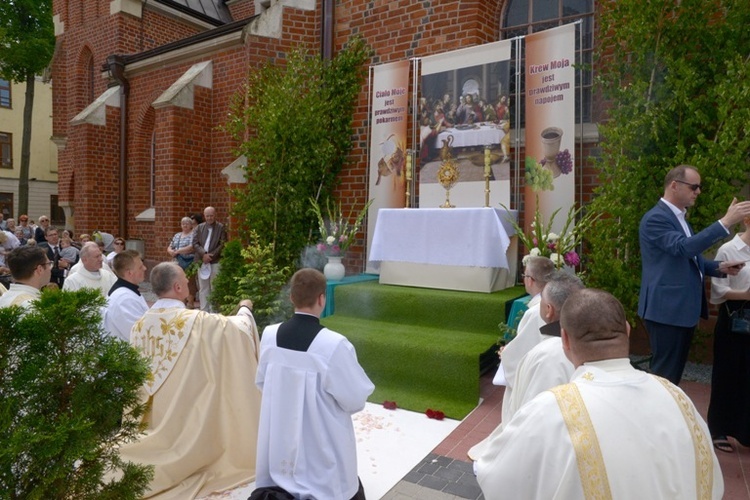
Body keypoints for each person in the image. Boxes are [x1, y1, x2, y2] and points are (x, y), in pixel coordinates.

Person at [476, 288, 724, 499]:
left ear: (564, 339)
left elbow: (498, 478)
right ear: (626, 330)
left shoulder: (551, 409)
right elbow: (712, 482)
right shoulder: (677, 397)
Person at [118, 262, 261, 498]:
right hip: (186, 414)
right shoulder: (197, 321)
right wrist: (245, 309)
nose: (188, 282)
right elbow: (237, 330)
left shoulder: (140, 325)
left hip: (154, 414)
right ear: (177, 287)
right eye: (185, 279)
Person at [254, 268, 374, 499]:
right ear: (322, 298)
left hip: (279, 437)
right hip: (320, 444)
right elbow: (355, 399)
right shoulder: (333, 344)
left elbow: (262, 382)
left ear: (291, 297)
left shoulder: (269, 335)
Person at [639, 164, 750, 384]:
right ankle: (659, 417)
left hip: (679, 310)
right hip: (666, 311)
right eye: (694, 187)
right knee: (664, 378)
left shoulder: (680, 218)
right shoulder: (655, 218)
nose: (698, 192)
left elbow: (688, 257)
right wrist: (725, 222)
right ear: (674, 185)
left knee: (672, 376)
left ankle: (670, 415)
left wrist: (718, 268)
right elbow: (684, 248)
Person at [469, 270, 580, 462]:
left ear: (549, 309)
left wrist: (507, 355)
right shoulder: (582, 342)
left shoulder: (544, 355)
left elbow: (519, 354)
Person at [707, 215, 750, 453]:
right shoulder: (728, 249)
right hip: (735, 316)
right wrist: (746, 295)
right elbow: (719, 291)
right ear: (747, 221)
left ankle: (745, 431)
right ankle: (719, 429)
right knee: (728, 371)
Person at [102, 249, 148, 342]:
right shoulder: (124, 299)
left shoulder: (127, 292)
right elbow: (138, 334)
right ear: (129, 273)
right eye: (140, 267)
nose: (145, 268)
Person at [192, 206, 227, 312]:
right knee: (203, 288)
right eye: (207, 216)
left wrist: (211, 256)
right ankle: (204, 310)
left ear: (215, 215)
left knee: (214, 287)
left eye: (211, 215)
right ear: (204, 216)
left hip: (215, 261)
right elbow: (195, 243)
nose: (209, 218)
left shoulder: (221, 227)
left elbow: (222, 244)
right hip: (202, 261)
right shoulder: (199, 227)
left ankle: (214, 311)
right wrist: (203, 254)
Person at [167, 216, 196, 307]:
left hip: (190, 261)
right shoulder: (177, 235)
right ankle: (182, 301)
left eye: (187, 223)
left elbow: (191, 247)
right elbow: (170, 246)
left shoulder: (193, 234)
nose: (185, 225)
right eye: (183, 224)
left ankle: (190, 301)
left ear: (191, 225)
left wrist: (178, 251)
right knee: (179, 281)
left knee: (190, 282)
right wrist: (171, 251)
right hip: (178, 261)